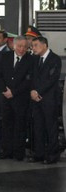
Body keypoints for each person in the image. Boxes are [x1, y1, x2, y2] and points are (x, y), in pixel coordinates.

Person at [0, 36, 34, 161]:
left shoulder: (30, 60)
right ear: (14, 45)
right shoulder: (5, 56)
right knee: (6, 124)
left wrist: (14, 92)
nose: (22, 49)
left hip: (20, 98)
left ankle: (18, 153)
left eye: (25, 47)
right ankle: (6, 151)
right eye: (19, 46)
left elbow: (29, 80)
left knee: (20, 126)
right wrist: (4, 90)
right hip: (5, 97)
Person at [30, 36, 61, 164]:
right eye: (32, 46)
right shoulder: (35, 59)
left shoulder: (55, 59)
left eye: (36, 45)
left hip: (49, 99)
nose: (33, 48)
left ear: (44, 45)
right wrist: (32, 91)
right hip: (36, 99)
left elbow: (52, 79)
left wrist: (38, 92)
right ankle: (39, 154)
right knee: (38, 127)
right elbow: (32, 77)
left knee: (51, 128)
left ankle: (53, 156)